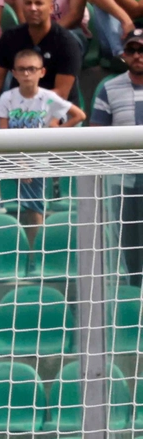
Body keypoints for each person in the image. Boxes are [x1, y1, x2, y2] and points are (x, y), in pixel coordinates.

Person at [0, 50, 85, 239]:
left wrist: (57, 129)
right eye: (21, 70)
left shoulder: (48, 98)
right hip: (11, 156)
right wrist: (17, 162)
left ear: (42, 72)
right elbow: (3, 135)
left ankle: (34, 255)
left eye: (31, 69)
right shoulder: (8, 98)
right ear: (14, 73)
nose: (26, 74)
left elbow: (79, 115)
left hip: (37, 161)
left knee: (34, 211)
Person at [0, 0, 81, 130]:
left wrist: (31, 110)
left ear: (51, 8)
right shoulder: (11, 37)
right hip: (17, 105)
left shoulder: (67, 42)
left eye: (39, 3)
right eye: (28, 3)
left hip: (54, 108)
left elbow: (61, 92)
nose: (33, 8)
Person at [90, 28, 143, 283]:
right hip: (124, 185)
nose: (138, 56)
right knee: (131, 248)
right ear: (124, 54)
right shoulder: (109, 89)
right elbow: (95, 136)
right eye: (132, 50)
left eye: (142, 50)